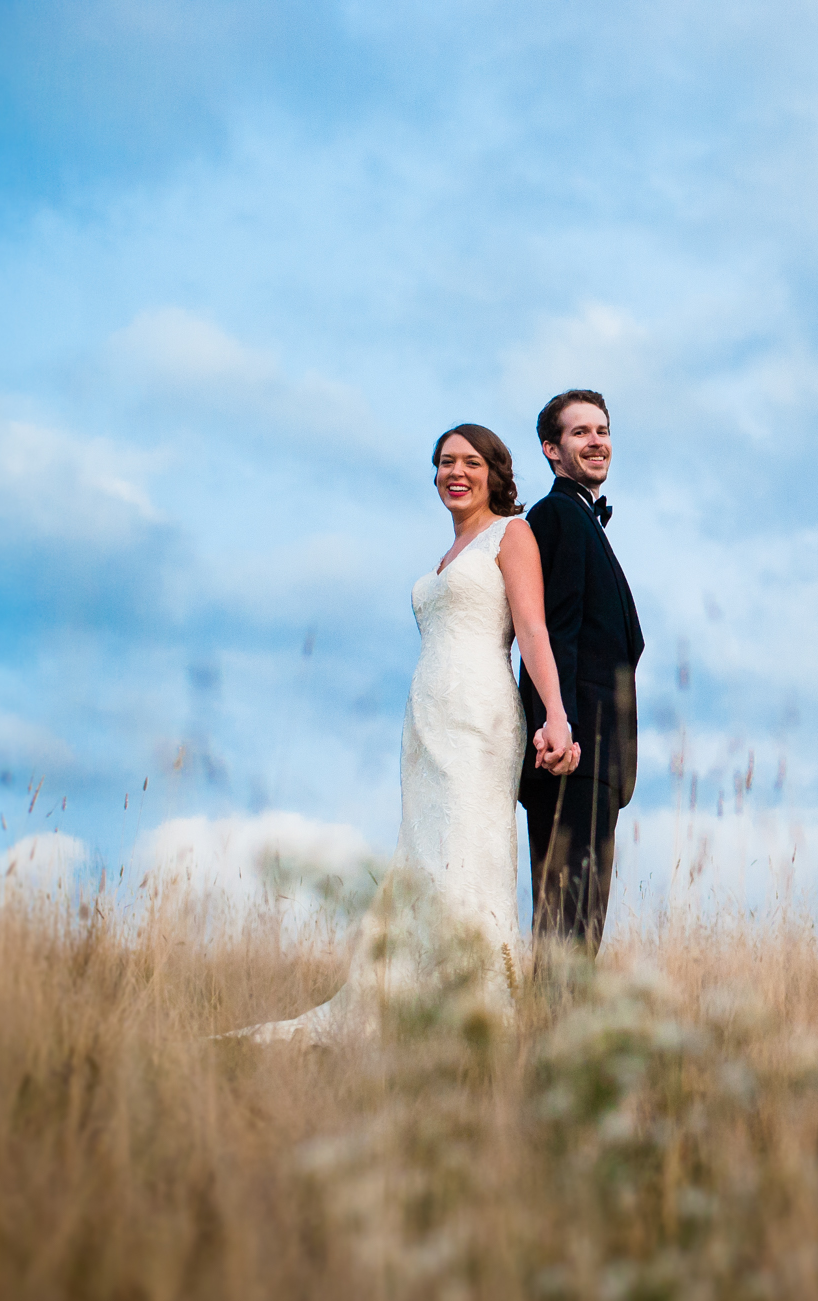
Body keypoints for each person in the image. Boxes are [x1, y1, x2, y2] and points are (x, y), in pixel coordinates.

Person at [237, 424, 578, 1042]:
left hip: (479, 716)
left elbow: (532, 629)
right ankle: (415, 1001)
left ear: (496, 473)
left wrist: (555, 715)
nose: (457, 472)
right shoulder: (446, 555)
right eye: (445, 462)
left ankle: (476, 1006)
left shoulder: (512, 534)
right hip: (425, 721)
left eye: (471, 462)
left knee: (469, 850)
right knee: (422, 859)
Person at [520, 389, 644, 954]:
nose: (596, 442)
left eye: (602, 430)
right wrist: (557, 724)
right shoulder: (557, 517)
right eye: (579, 433)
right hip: (571, 752)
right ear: (552, 449)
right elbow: (550, 633)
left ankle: (557, 1035)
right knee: (567, 922)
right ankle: (550, 1037)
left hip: (597, 758)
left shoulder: (586, 520)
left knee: (582, 924)